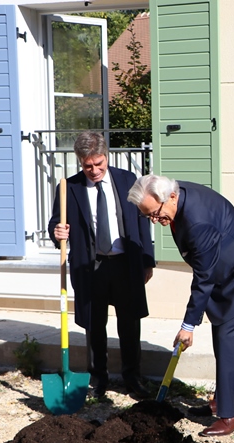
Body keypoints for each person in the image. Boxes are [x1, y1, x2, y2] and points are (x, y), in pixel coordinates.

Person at [127, 174, 234, 437]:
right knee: (223, 338)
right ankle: (223, 400)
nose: (155, 220)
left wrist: (188, 326)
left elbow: (204, 277)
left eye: (156, 213)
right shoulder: (179, 196)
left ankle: (233, 415)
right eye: (148, 216)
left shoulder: (197, 222)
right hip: (226, 270)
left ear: (171, 197)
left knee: (230, 341)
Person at [48, 131, 155, 398]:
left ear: (106, 156)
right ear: (79, 162)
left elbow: (142, 222)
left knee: (129, 324)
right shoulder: (68, 188)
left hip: (125, 264)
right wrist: (56, 232)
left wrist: (147, 260)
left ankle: (132, 377)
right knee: (94, 326)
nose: (94, 170)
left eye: (99, 164)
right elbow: (55, 222)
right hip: (91, 267)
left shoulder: (127, 180)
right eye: (88, 166)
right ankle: (98, 378)